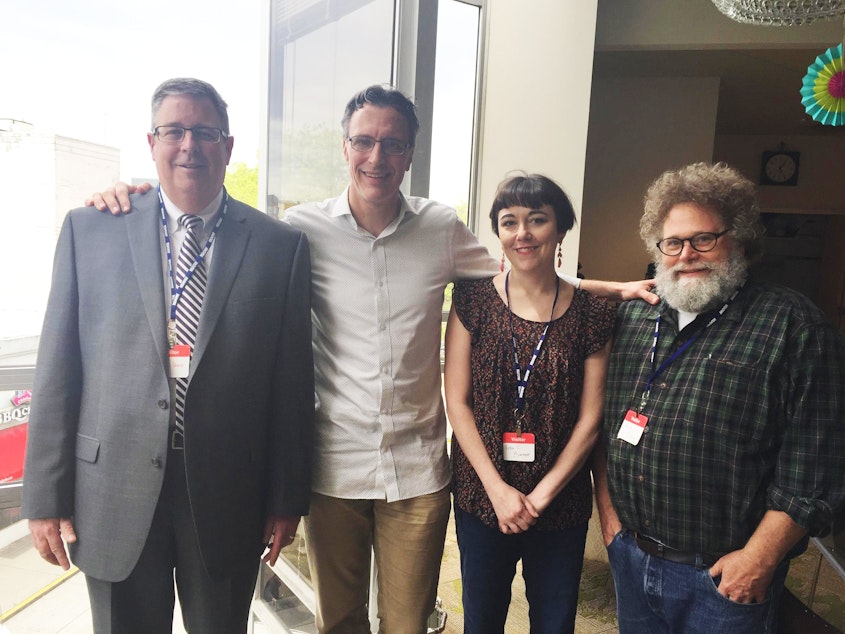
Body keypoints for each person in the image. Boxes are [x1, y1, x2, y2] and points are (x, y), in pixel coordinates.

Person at [89, 84, 658, 633]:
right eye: (363, 141)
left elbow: (526, 272)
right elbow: (221, 242)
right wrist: (135, 198)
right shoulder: (299, 231)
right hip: (334, 468)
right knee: (337, 620)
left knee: (407, 623)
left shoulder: (439, 227)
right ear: (345, 147)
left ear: (409, 153)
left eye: (392, 143)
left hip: (417, 473)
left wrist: (613, 289)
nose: (376, 156)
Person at [22, 78, 315, 633]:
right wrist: (44, 496)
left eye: (205, 132)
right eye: (174, 131)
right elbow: (58, 370)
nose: (189, 146)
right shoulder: (91, 229)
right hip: (111, 490)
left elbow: (292, 386)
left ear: (227, 147)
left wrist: (285, 499)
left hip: (228, 492)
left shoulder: (280, 246)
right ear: (151, 142)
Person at [593, 162, 845, 633]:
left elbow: (815, 471)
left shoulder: (794, 327)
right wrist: (610, 522)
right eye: (673, 243)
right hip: (633, 558)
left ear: (742, 242)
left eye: (704, 239)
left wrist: (759, 559)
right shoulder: (635, 320)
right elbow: (606, 430)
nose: (686, 254)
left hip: (723, 580)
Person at [444, 173, 613, 633]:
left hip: (559, 502)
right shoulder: (473, 300)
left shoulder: (592, 313)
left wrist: (540, 496)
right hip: (483, 496)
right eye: (509, 221)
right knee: (481, 619)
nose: (523, 233)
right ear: (498, 233)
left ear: (560, 230)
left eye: (537, 220)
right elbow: (456, 402)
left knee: (554, 622)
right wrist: (499, 491)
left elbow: (590, 419)